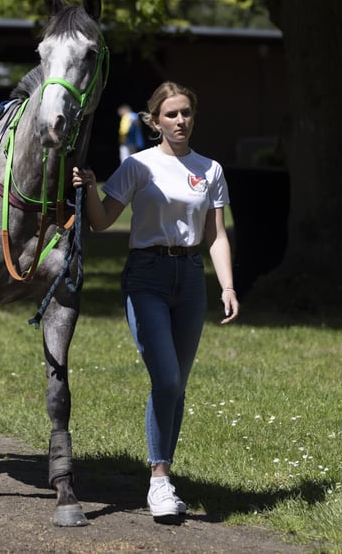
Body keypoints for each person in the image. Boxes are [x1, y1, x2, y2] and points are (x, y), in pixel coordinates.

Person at [73, 81, 239, 522]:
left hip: (191, 279)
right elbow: (101, 220)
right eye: (170, 114)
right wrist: (90, 187)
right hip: (146, 275)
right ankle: (159, 480)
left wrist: (227, 286)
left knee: (177, 385)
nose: (179, 121)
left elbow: (215, 234)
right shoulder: (138, 167)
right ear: (154, 121)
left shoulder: (210, 169)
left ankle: (164, 476)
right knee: (165, 379)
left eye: (185, 112)